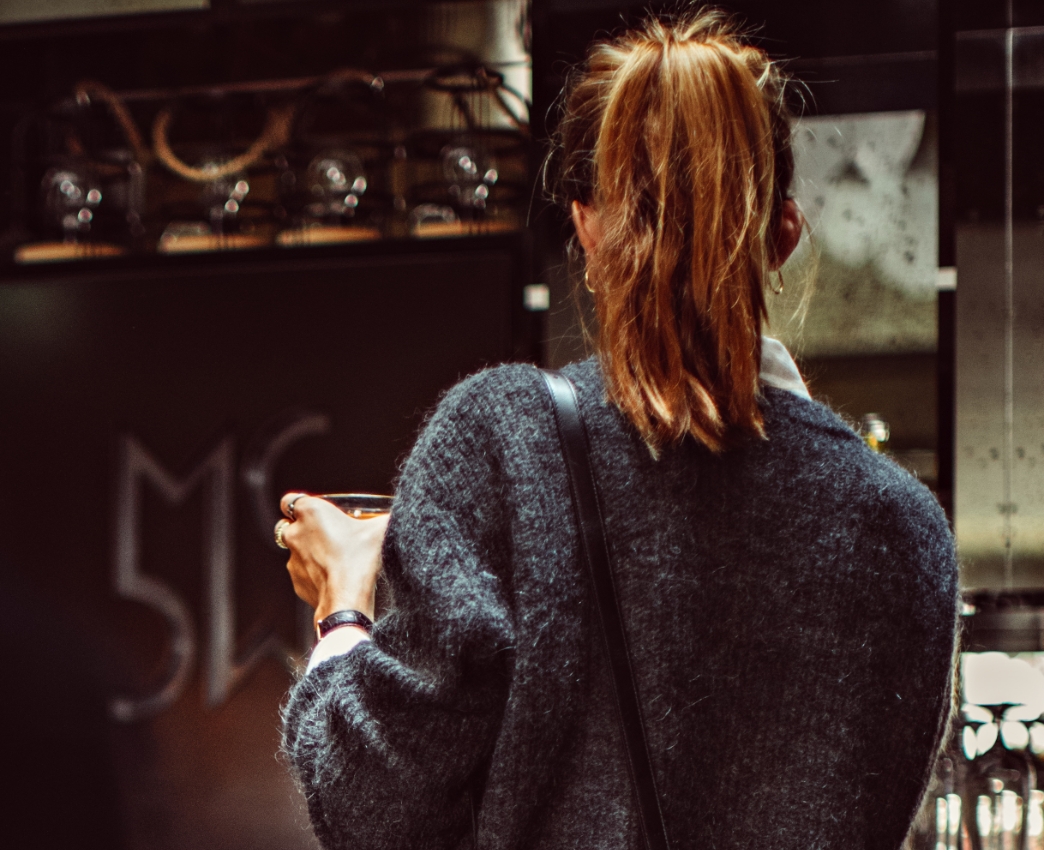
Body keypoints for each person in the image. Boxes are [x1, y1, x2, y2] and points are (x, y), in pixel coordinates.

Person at [275, 10, 957, 849]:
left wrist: (347, 603)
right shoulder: (902, 529)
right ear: (784, 235)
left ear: (588, 229)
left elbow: (372, 807)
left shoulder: (501, 445)